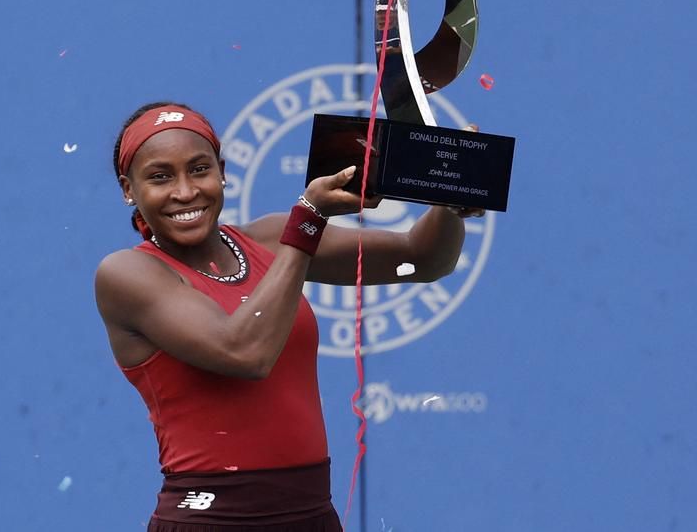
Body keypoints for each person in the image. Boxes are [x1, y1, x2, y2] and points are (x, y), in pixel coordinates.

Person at [94, 101, 484, 531]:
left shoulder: (270, 238)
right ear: (128, 189)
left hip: (312, 517)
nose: (185, 192)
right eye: (160, 177)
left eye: (200, 169)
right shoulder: (126, 274)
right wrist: (309, 219)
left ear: (222, 171)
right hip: (210, 522)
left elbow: (422, 259)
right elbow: (245, 352)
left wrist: (449, 196)